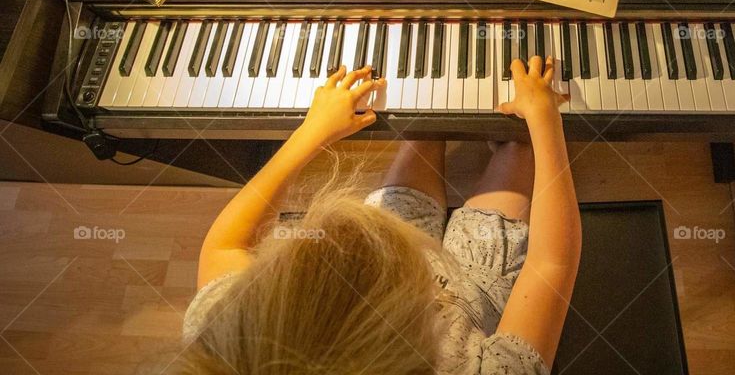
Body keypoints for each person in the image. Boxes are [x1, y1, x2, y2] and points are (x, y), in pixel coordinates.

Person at [177, 55, 580, 374]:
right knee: (519, 146)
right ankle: (512, 146)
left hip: (390, 242)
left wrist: (312, 130)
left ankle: (445, 131)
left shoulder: (231, 336)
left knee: (423, 127)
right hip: (470, 297)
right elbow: (551, 262)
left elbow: (226, 243)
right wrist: (545, 123)